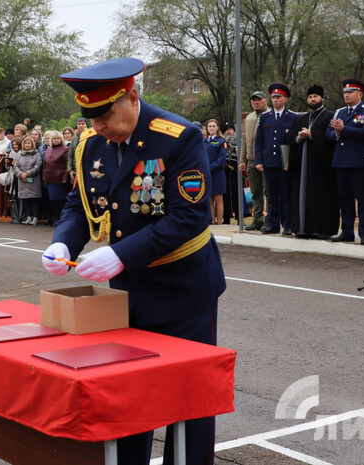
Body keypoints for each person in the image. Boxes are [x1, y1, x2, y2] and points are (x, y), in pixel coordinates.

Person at [43, 59, 225, 465]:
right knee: (130, 396)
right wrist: (63, 246)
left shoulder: (178, 137)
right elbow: (79, 205)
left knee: (188, 403)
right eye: (91, 119)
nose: (100, 127)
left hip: (184, 290)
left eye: (106, 115)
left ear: (132, 97)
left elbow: (189, 216)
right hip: (129, 294)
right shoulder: (91, 147)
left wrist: (119, 254)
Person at [326, 78, 364, 245]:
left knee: (363, 200)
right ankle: (347, 231)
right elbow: (328, 134)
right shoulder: (339, 112)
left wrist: (344, 129)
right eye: (345, 93)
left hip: (359, 162)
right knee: (345, 200)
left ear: (359, 94)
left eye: (350, 92)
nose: (346, 95)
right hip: (341, 162)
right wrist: (337, 133)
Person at [290, 85, 338, 239]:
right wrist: (299, 137)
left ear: (322, 98)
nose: (312, 99)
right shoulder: (303, 118)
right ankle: (303, 229)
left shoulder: (330, 116)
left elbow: (331, 138)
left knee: (321, 197)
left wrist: (312, 135)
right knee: (302, 196)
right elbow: (291, 138)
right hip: (303, 164)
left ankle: (322, 229)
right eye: (310, 97)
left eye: (315, 97)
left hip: (322, 166)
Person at [255, 83, 299, 235]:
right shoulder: (265, 117)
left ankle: (287, 224)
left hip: (284, 162)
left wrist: (290, 161)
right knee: (271, 194)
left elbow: (294, 142)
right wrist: (259, 160)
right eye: (273, 97)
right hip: (269, 161)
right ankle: (273, 224)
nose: (275, 100)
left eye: (278, 97)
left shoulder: (292, 117)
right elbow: (259, 140)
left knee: (286, 194)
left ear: (285, 99)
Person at [240, 91, 269, 230]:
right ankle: (258, 219)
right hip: (251, 160)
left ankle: (270, 219)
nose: (256, 102)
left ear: (265, 101)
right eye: (253, 100)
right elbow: (244, 140)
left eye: (259, 100)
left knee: (268, 191)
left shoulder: (269, 115)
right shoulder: (249, 118)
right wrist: (242, 160)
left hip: (265, 160)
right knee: (255, 191)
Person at [42, 130, 70, 226]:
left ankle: (60, 219)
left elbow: (67, 165)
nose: (56, 140)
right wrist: (44, 175)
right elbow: (45, 164)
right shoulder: (49, 150)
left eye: (58, 138)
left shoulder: (65, 149)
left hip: (60, 178)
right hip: (49, 178)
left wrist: (65, 177)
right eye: (54, 138)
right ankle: (53, 219)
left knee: (60, 200)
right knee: (51, 200)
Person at [204, 119, 227, 224]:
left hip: (217, 172)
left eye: (214, 126)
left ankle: (219, 221)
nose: (211, 128)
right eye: (210, 126)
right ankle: (211, 220)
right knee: (209, 198)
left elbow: (221, 159)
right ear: (207, 128)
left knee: (218, 198)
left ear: (217, 127)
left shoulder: (221, 141)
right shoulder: (203, 141)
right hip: (206, 173)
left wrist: (210, 167)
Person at [15, 135, 42, 225]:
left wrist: (27, 173)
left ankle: (35, 218)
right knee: (26, 199)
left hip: (33, 180)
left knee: (34, 199)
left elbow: (37, 166)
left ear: (32, 144)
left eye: (29, 143)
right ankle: (28, 217)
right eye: (25, 143)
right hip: (22, 180)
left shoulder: (37, 154)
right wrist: (20, 174)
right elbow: (16, 166)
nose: (27, 145)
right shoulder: (19, 155)